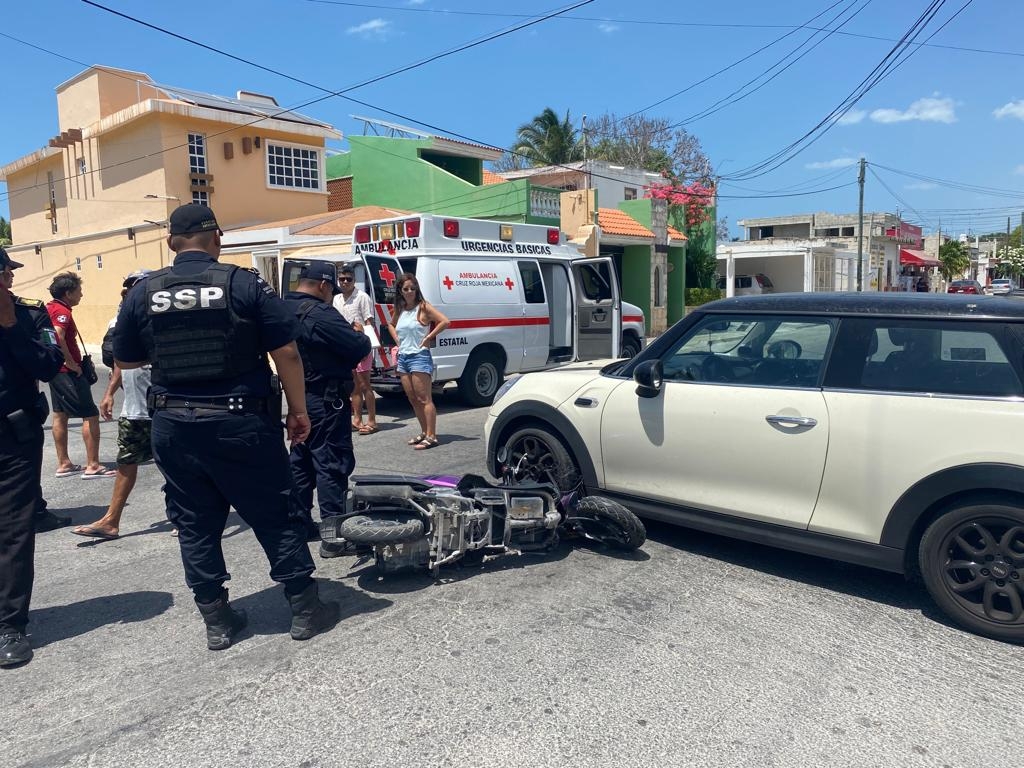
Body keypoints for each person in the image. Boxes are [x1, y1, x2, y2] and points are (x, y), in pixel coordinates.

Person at [113, 203, 339, 650]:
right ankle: (304, 608)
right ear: (216, 238)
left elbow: (126, 359)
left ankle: (217, 619)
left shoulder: (143, 291)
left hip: (173, 424)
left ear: (171, 243)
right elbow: (287, 352)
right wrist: (298, 411)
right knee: (275, 511)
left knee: (194, 522)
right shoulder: (243, 282)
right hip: (240, 422)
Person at [0, 247, 65, 667]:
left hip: (13, 439)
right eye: (6, 271)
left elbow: (50, 364)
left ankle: (9, 624)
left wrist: (8, 326)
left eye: (6, 272)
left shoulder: (29, 314)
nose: (8, 279)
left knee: (12, 533)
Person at [284, 261, 370, 557]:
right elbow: (358, 346)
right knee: (331, 463)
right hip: (325, 399)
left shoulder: (282, 308)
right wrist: (356, 332)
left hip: (297, 398)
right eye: (331, 288)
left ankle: (300, 522)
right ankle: (334, 537)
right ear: (322, 285)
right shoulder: (319, 313)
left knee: (301, 462)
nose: (331, 294)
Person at [70, 271, 153, 541]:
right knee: (126, 461)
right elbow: (120, 359)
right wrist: (109, 393)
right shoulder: (121, 319)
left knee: (179, 465)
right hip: (134, 408)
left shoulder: (162, 315)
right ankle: (111, 520)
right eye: (129, 288)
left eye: (137, 287)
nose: (131, 292)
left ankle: (186, 517)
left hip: (164, 405)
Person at [45, 272, 114, 478]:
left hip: (55, 371)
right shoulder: (61, 310)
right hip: (67, 371)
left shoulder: (49, 308)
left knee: (60, 414)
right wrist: (70, 362)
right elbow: (58, 334)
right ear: (68, 293)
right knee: (90, 414)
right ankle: (93, 465)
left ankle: (64, 463)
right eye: (79, 291)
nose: (82, 295)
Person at [384, 273, 449, 450]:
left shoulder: (423, 307)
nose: (410, 291)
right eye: (406, 289)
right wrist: (397, 339)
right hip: (404, 357)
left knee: (424, 398)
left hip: (419, 356)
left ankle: (432, 435)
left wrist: (429, 337)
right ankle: (424, 431)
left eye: (413, 288)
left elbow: (445, 321)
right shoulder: (401, 308)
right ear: (400, 291)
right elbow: (390, 324)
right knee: (412, 398)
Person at [332, 265, 378, 435]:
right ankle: (357, 419)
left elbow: (369, 322)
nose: (345, 282)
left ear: (354, 280)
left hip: (361, 345)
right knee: (354, 387)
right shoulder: (336, 299)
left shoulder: (362, 297)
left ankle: (372, 421)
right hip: (345, 346)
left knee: (365, 384)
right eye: (342, 279)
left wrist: (362, 334)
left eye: (348, 279)